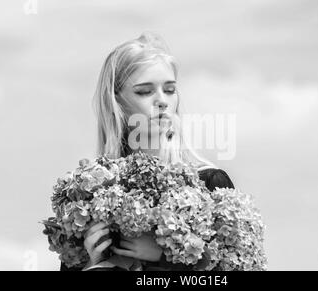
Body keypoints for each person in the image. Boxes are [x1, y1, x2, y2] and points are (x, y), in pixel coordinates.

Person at [61, 31, 234, 271]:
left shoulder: (208, 182)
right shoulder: (88, 197)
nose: (162, 101)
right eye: (145, 91)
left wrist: (165, 257)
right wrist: (87, 262)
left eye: (170, 90)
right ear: (115, 103)